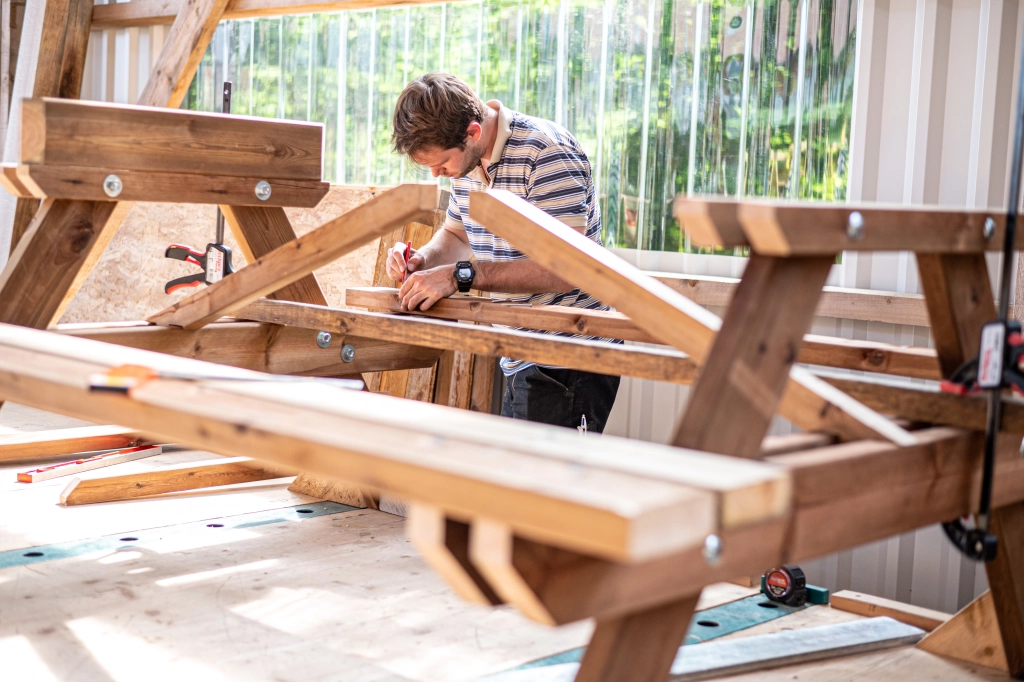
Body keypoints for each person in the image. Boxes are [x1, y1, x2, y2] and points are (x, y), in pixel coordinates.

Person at [387, 73, 620, 433]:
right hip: (520, 351)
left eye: (441, 163)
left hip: (571, 355)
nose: (437, 173)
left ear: (473, 132)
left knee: (549, 487)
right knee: (519, 484)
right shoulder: (464, 160)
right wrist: (423, 259)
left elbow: (568, 268)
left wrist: (459, 275)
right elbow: (456, 232)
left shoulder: (545, 152)